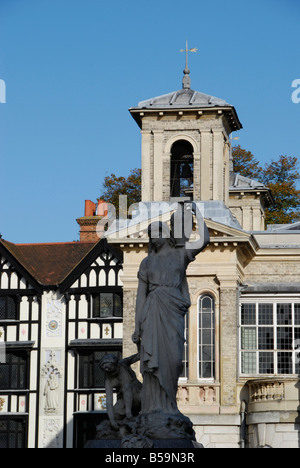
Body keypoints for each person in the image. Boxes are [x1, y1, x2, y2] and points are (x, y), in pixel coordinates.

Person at [132, 203, 209, 415]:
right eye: (150, 233)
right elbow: (140, 297)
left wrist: (198, 215)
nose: (153, 236)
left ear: (165, 234)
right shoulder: (146, 263)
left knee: (174, 359)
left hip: (172, 309)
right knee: (151, 361)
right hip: (152, 310)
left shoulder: (180, 254)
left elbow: (204, 241)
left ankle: (170, 406)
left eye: (156, 232)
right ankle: (152, 409)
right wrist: (137, 326)